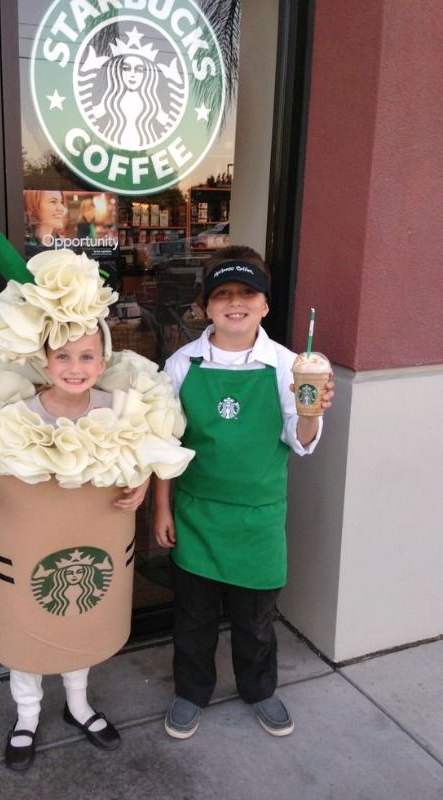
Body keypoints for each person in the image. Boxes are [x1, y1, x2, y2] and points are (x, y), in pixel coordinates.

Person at [153, 245, 335, 740]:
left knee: (256, 620)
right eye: (223, 294)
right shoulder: (181, 364)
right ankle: (191, 691)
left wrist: (314, 409)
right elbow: (164, 443)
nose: (236, 303)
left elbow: (302, 444)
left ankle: (260, 689)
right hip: (195, 514)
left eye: (248, 293)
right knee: (194, 617)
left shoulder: (288, 365)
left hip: (258, 518)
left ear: (265, 305)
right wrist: (162, 508)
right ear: (206, 306)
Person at [0, 328, 149, 771]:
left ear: (103, 364)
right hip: (30, 544)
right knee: (29, 623)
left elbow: (142, 455)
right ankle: (27, 717)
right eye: (62, 356)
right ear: (45, 364)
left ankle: (78, 706)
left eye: (87, 357)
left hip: (85, 538)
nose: (75, 368)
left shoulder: (116, 410)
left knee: (76, 621)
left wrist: (140, 482)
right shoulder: (17, 414)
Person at [24, 190, 67, 256]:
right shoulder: (24, 248)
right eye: (53, 201)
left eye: (61, 202)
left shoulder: (63, 246)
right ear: (33, 206)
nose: (61, 208)